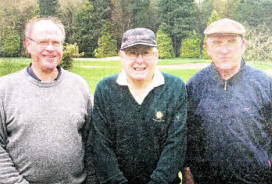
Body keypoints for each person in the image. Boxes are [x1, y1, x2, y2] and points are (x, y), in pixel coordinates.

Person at [0, 17, 96, 184]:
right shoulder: (5, 89)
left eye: (56, 43)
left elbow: (91, 142)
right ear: (28, 45)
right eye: (43, 42)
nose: (50, 49)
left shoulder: (79, 85)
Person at [86, 28, 187, 184]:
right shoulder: (105, 89)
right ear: (121, 56)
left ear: (156, 55)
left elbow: (176, 144)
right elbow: (101, 146)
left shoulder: (175, 87)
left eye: (145, 53)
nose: (139, 60)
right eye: (132, 53)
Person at [183, 18, 272, 184]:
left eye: (231, 42)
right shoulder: (194, 85)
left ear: (243, 45)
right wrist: (187, 171)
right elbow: (187, 135)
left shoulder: (264, 83)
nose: (224, 50)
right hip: (206, 179)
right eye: (217, 43)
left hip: (256, 179)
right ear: (207, 48)